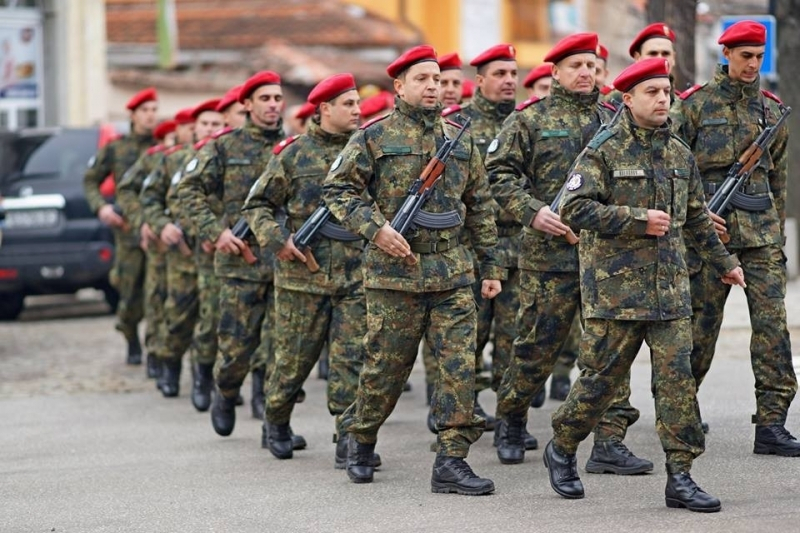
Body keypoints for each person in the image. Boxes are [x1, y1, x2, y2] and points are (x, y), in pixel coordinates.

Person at [545, 58, 745, 512]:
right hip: (617, 293)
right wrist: (637, 220)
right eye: (651, 92)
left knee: (676, 384)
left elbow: (696, 218)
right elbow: (572, 208)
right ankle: (561, 445)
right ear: (628, 98)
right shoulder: (603, 149)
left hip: (670, 291)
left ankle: (682, 475)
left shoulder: (678, 151)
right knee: (600, 381)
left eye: (666, 92)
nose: (661, 100)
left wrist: (724, 262)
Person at [322, 45, 503, 495]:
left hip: (453, 272)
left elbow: (479, 204)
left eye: (438, 79)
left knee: (459, 367)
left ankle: (452, 460)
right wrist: (376, 229)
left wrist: (490, 264)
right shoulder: (373, 136)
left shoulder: (460, 137)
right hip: (394, 274)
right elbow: (338, 191)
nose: (433, 87)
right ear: (399, 87)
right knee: (386, 369)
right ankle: (360, 437)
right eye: (422, 79)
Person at [486, 33, 651, 474]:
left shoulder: (617, 119)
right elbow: (498, 175)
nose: (586, 73)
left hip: (610, 258)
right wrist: (533, 211)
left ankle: (610, 440)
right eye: (576, 66)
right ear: (555, 72)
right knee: (537, 346)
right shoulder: (530, 120)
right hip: (549, 256)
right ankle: (512, 419)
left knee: (610, 351)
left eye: (592, 66)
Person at [672, 20, 799, 454]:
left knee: (772, 329)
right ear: (725, 54)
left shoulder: (769, 110)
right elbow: (673, 172)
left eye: (759, 57)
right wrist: (695, 221)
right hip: (710, 239)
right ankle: (682, 415)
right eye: (745, 56)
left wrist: (777, 239)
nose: (752, 64)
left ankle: (771, 423)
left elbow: (777, 180)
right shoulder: (693, 106)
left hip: (760, 237)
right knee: (701, 329)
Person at [243, 73, 373, 468]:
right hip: (304, 277)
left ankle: (348, 437)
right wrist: (278, 239)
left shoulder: (368, 149)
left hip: (355, 273)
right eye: (347, 104)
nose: (357, 110)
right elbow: (257, 206)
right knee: (293, 361)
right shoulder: (294, 154)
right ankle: (277, 420)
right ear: (324, 110)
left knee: (351, 360)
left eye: (357, 103)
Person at [178, 71, 286, 437]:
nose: (273, 105)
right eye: (265, 99)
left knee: (281, 346)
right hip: (240, 262)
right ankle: (225, 393)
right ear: (247, 105)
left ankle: (273, 420)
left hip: (286, 262)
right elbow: (188, 192)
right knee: (237, 347)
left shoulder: (293, 146)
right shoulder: (224, 147)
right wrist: (215, 232)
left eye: (277, 98)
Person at [83, 87, 158, 365]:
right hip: (127, 233)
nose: (151, 116)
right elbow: (91, 179)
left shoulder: (162, 145)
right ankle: (130, 335)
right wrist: (101, 207)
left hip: (156, 231)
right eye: (145, 111)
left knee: (156, 293)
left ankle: (155, 350)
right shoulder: (116, 148)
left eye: (154, 110)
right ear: (133, 115)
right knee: (129, 293)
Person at [116, 118, 176, 380]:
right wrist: (144, 222)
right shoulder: (154, 159)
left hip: (183, 242)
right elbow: (127, 189)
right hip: (143, 238)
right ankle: (145, 345)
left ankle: (171, 356)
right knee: (145, 295)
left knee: (177, 301)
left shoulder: (198, 156)